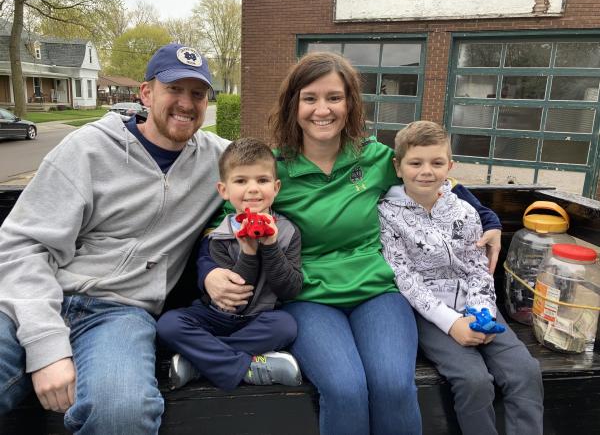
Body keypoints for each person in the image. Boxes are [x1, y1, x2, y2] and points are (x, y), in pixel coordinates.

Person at [201, 52, 503, 435]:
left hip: (377, 291)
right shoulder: (272, 170)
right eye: (310, 98)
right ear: (294, 104)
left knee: (393, 387)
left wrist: (490, 220)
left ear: (350, 104)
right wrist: (210, 272)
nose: (322, 109)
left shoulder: (376, 159)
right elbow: (220, 224)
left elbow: (436, 181)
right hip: (309, 297)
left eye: (334, 97)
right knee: (345, 389)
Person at [0, 43, 230, 434]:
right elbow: (23, 245)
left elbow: (285, 166)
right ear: (146, 93)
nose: (186, 103)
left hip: (120, 314)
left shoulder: (220, 160)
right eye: (174, 89)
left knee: (122, 413)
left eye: (197, 94)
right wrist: (46, 347)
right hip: (36, 299)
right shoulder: (87, 148)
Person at [378, 121, 543, 435]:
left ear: (450, 167)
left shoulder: (464, 211)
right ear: (398, 167)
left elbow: (477, 265)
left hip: (478, 304)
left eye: (437, 162)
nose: (426, 171)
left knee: (525, 370)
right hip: (432, 316)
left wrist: (481, 311)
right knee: (474, 380)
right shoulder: (387, 215)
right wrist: (453, 323)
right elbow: (404, 276)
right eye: (416, 163)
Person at [157, 137, 303, 391]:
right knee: (168, 325)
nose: (253, 189)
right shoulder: (218, 236)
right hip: (217, 316)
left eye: (262, 180)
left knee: (286, 326)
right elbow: (236, 298)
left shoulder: (288, 232)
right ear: (224, 190)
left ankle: (200, 361)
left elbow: (289, 289)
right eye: (241, 181)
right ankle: (247, 365)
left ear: (276, 187)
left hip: (260, 317)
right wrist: (247, 252)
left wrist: (270, 247)